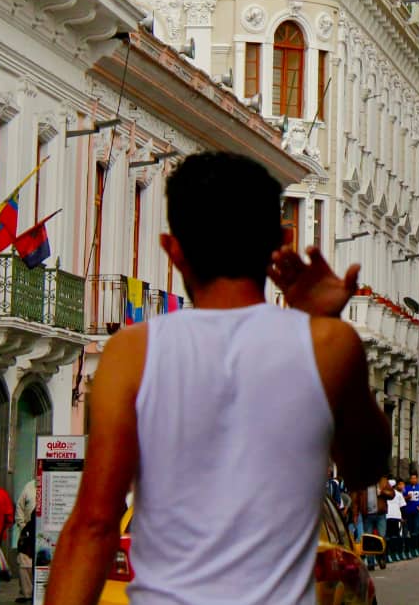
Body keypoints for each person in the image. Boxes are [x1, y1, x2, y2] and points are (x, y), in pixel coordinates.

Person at [43, 151, 390, 605]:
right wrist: (321, 324)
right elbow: (366, 467)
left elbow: (94, 523)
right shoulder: (328, 346)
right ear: (278, 243)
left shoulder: (133, 352)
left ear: (174, 250)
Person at [13, 477, 36, 604]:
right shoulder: (29, 486)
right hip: (28, 530)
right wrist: (22, 526)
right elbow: (20, 507)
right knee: (24, 561)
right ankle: (27, 592)